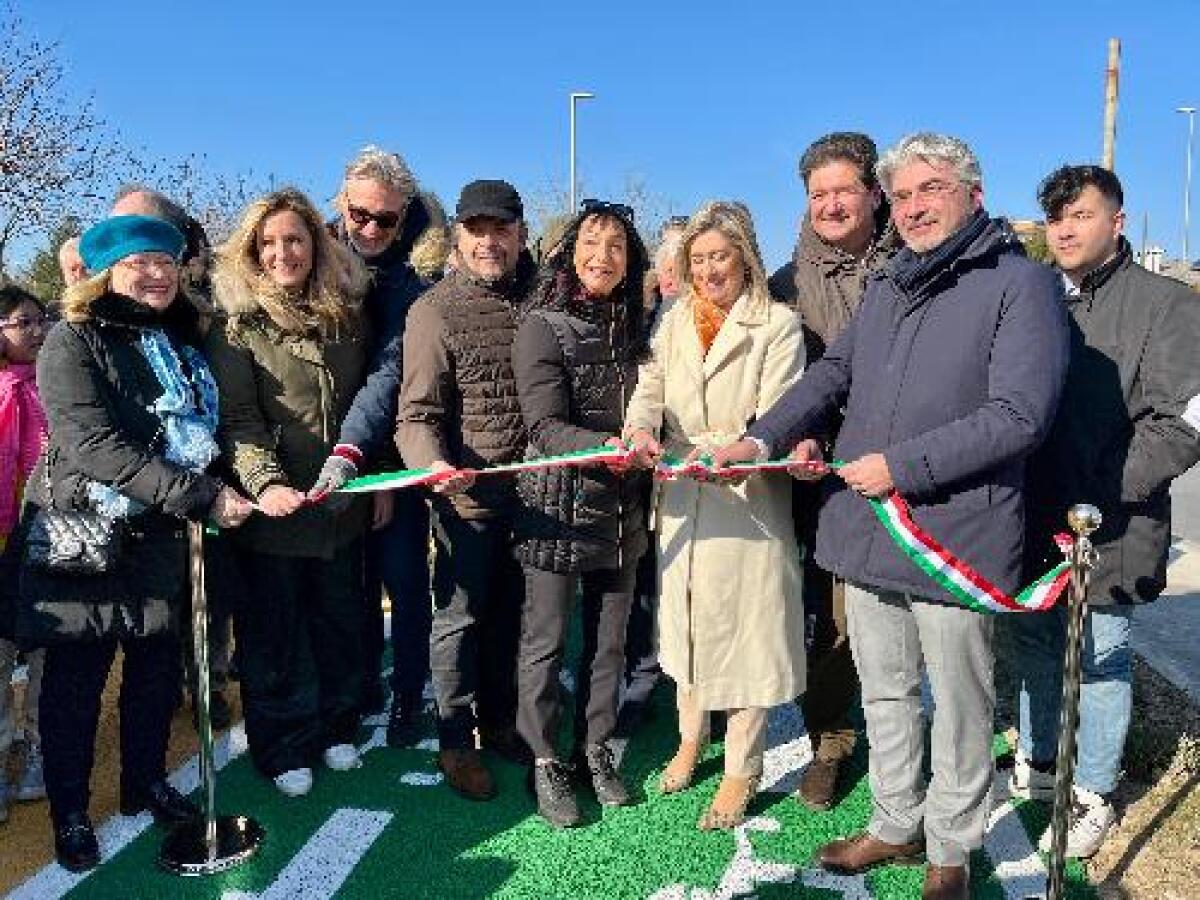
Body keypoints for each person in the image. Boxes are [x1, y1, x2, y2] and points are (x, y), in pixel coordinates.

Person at [713, 133, 1069, 899]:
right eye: (903, 195)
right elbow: (836, 373)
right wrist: (760, 436)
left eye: (928, 190)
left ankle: (949, 849)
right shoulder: (891, 285)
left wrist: (902, 467)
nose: (912, 208)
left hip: (956, 537)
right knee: (885, 692)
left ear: (972, 193)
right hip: (867, 531)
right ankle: (895, 824)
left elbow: (1019, 415)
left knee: (962, 706)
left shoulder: (1020, 285)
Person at [14, 215, 253, 872]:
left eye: (166, 263)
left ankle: (143, 782)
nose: (156, 274)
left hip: (160, 536)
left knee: (153, 673)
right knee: (76, 683)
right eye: (138, 262)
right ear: (101, 274)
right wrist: (201, 496)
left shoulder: (178, 344)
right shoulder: (72, 341)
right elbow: (93, 446)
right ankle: (69, 809)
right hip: (86, 532)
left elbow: (205, 438)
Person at [1011, 164, 1200, 858]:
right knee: (1032, 642)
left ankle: (1092, 790)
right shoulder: (1035, 298)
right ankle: (1036, 763)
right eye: (1056, 217)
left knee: (1100, 657)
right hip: (1031, 518)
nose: (1064, 229)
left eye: (1081, 215)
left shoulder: (1167, 303)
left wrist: (1099, 496)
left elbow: (1184, 421)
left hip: (1113, 521)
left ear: (1116, 222)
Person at [623, 201, 807, 831]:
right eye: (696, 260)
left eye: (719, 257)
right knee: (687, 629)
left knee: (747, 638)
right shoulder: (673, 320)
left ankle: (740, 769)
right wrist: (640, 428)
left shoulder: (777, 325)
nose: (707, 271)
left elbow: (779, 413)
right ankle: (689, 740)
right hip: (679, 497)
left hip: (745, 499)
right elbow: (650, 388)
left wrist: (731, 451)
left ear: (745, 256)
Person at [206, 188, 372, 798]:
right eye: (269, 243)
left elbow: (365, 406)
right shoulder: (235, 328)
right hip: (274, 513)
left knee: (338, 622)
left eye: (295, 240)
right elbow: (239, 421)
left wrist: (369, 478)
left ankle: (337, 724)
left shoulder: (345, 316)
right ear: (252, 252)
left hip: (340, 509)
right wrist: (266, 482)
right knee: (276, 635)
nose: (284, 253)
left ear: (315, 245)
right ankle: (282, 744)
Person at [768, 132, 902, 811]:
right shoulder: (785, 287)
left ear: (875, 194)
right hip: (823, 480)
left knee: (910, 621)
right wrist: (800, 438)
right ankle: (832, 740)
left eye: (843, 190)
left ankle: (906, 748)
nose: (830, 205)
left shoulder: (918, 265)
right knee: (831, 620)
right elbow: (780, 386)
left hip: (909, 473)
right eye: (817, 194)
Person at [511, 200, 650, 827]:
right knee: (545, 643)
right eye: (591, 243)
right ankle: (546, 759)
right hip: (556, 509)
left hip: (622, 508)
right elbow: (542, 424)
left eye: (616, 246)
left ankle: (594, 750)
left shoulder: (638, 330)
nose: (603, 257)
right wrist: (608, 450)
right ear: (569, 252)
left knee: (610, 644)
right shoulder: (542, 325)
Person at [397, 179, 537, 801]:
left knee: (516, 617)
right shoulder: (432, 311)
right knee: (460, 620)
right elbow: (416, 414)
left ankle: (504, 721)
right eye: (476, 230)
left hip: (536, 498)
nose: (489, 241)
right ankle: (456, 738)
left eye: (500, 229)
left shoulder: (541, 297)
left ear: (520, 235)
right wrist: (433, 466)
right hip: (468, 502)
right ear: (457, 236)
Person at [308, 147, 449, 744]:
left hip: (388, 446)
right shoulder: (309, 249)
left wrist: (376, 467)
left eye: (384, 220)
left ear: (405, 215)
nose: (368, 229)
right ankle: (358, 683)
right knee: (348, 581)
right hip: (322, 446)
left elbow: (392, 376)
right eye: (358, 214)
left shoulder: (418, 271)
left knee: (404, 575)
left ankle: (408, 691)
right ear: (340, 201)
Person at [110, 186, 239, 730]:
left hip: (209, 480)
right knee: (150, 619)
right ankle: (158, 702)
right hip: (132, 488)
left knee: (208, 595)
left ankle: (206, 680)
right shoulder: (98, 320)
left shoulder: (205, 314)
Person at [617, 218, 686, 738]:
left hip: (683, 475)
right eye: (663, 268)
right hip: (634, 474)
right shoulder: (641, 317)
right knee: (641, 591)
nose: (670, 278)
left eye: (677, 268)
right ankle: (642, 683)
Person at [0, 286, 51, 822]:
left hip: (44, 541)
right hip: (0, 544)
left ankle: (37, 748)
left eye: (40, 320)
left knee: (42, 657)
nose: (36, 332)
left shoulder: (53, 385)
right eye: (22, 323)